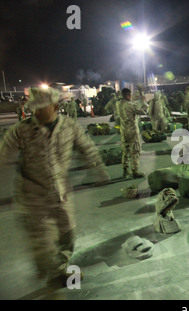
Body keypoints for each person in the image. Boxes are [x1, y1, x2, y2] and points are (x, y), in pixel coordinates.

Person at [0, 87, 110, 289]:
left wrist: (98, 169)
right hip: (34, 197)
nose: (37, 112)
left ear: (55, 106)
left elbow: (86, 147)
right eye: (35, 108)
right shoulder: (21, 130)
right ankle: (56, 273)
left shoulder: (70, 126)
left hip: (62, 194)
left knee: (68, 235)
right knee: (46, 242)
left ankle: (53, 266)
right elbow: (4, 157)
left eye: (42, 108)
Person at [117, 88, 149, 178]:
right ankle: (135, 171)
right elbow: (144, 111)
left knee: (125, 150)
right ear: (128, 95)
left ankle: (125, 169)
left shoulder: (118, 104)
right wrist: (143, 102)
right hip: (132, 131)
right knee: (135, 150)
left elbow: (132, 105)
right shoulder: (130, 105)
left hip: (123, 130)